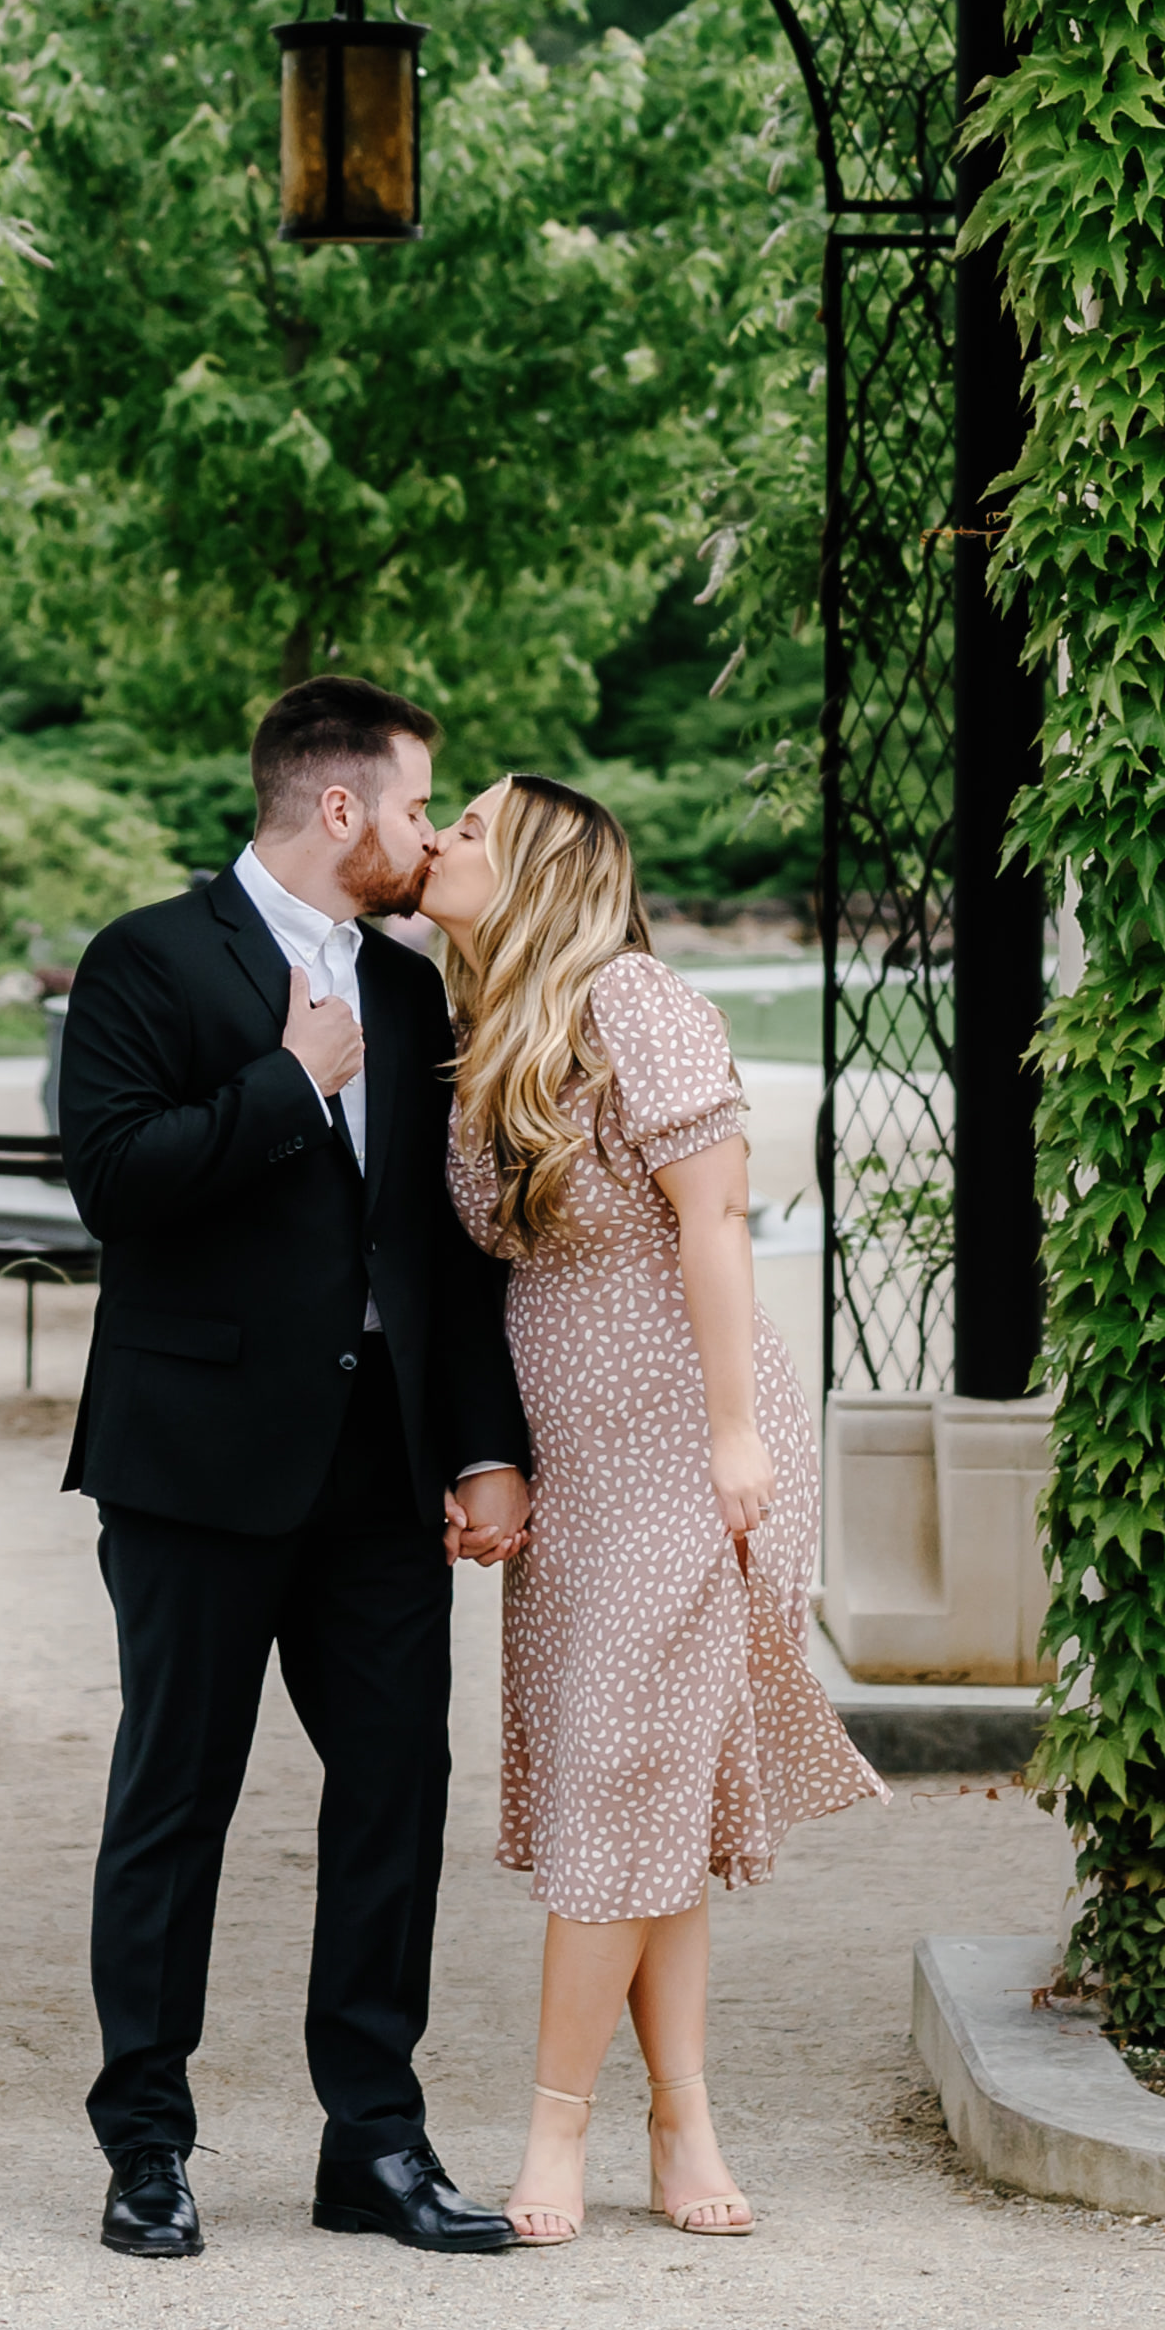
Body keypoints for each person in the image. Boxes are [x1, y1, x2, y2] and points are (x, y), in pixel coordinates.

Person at [52, 676, 540, 2262]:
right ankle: (147, 2146)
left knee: (399, 1790)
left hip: (378, 1478)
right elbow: (116, 1186)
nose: (424, 833)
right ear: (340, 808)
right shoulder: (147, 957)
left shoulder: (414, 995)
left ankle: (374, 2145)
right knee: (172, 1798)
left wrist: (480, 1445)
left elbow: (435, 1261)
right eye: (415, 805)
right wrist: (288, 1082)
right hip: (193, 1467)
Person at [419, 770, 882, 2243]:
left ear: (546, 867)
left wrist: (741, 1437)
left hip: (688, 1437)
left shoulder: (641, 1001)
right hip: (576, 1456)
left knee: (625, 1764)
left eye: (470, 826)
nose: (440, 839)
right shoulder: (490, 1024)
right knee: (643, 1784)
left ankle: (556, 2133)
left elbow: (718, 1218)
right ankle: (684, 2118)